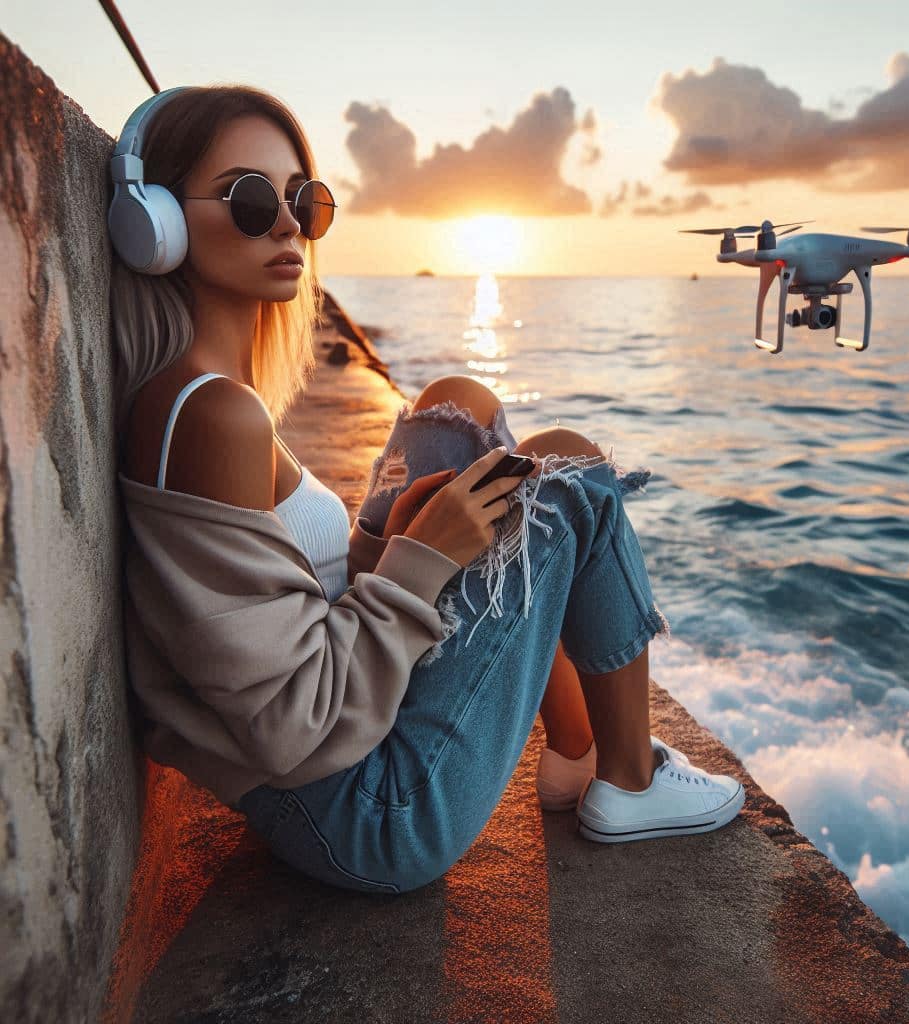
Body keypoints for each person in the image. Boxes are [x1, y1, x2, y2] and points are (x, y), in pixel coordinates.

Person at [110, 84, 745, 895]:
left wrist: (388, 547)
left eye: (305, 199)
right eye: (250, 198)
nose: (287, 224)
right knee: (573, 476)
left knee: (457, 408)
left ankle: (575, 753)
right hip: (368, 810)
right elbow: (284, 728)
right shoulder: (211, 416)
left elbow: (284, 614)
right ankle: (626, 778)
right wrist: (420, 558)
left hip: (346, 738)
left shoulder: (210, 394)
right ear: (153, 223)